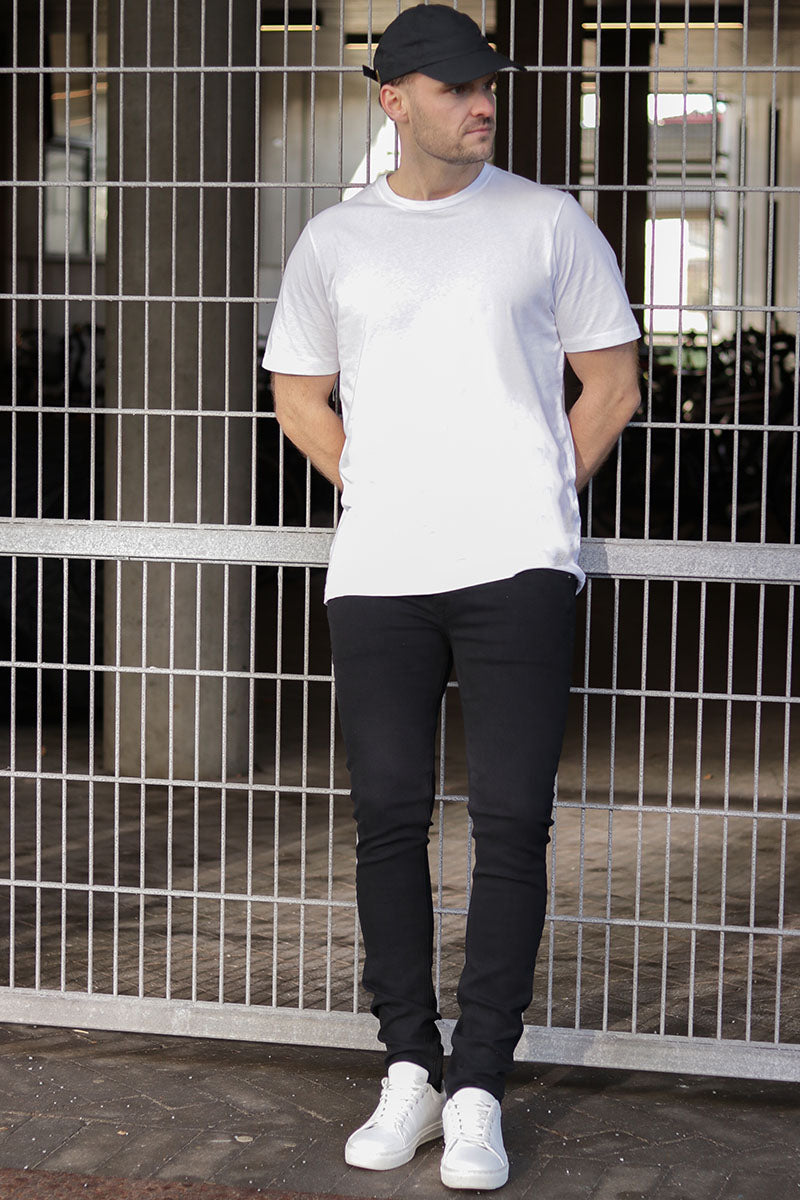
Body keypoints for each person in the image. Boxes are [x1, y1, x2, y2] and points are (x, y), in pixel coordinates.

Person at [263, 4, 640, 1190]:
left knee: (511, 825)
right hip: (379, 570)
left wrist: (530, 486)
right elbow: (298, 393)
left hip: (516, 563)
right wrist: (375, 482)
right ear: (393, 100)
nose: (481, 104)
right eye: (455, 88)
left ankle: (477, 1087)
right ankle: (408, 1069)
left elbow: (610, 384)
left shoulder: (546, 221)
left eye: (487, 86)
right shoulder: (335, 240)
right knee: (386, 819)